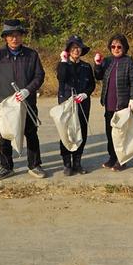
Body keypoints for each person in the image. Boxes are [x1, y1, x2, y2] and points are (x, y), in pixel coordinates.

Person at [0, 19, 47, 180]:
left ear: (22, 36)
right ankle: (6, 167)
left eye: (17, 35)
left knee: (31, 134)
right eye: (10, 36)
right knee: (5, 136)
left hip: (27, 102)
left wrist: (28, 90)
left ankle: (34, 165)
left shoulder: (31, 55)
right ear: (5, 38)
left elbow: (39, 75)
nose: (14, 39)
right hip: (5, 104)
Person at [94, 34, 133, 172]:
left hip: (123, 104)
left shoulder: (129, 62)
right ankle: (112, 157)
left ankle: (122, 159)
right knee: (110, 133)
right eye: (113, 46)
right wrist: (97, 65)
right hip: (109, 104)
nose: (116, 49)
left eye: (119, 46)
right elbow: (98, 76)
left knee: (121, 135)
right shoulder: (107, 61)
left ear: (124, 47)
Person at [56, 35, 95, 176]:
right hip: (66, 104)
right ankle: (67, 163)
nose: (76, 50)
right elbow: (61, 78)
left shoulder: (86, 66)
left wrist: (85, 94)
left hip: (82, 104)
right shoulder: (62, 64)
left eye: (78, 47)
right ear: (68, 50)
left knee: (81, 132)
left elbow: (91, 84)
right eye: (73, 48)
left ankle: (77, 162)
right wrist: (63, 61)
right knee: (66, 133)